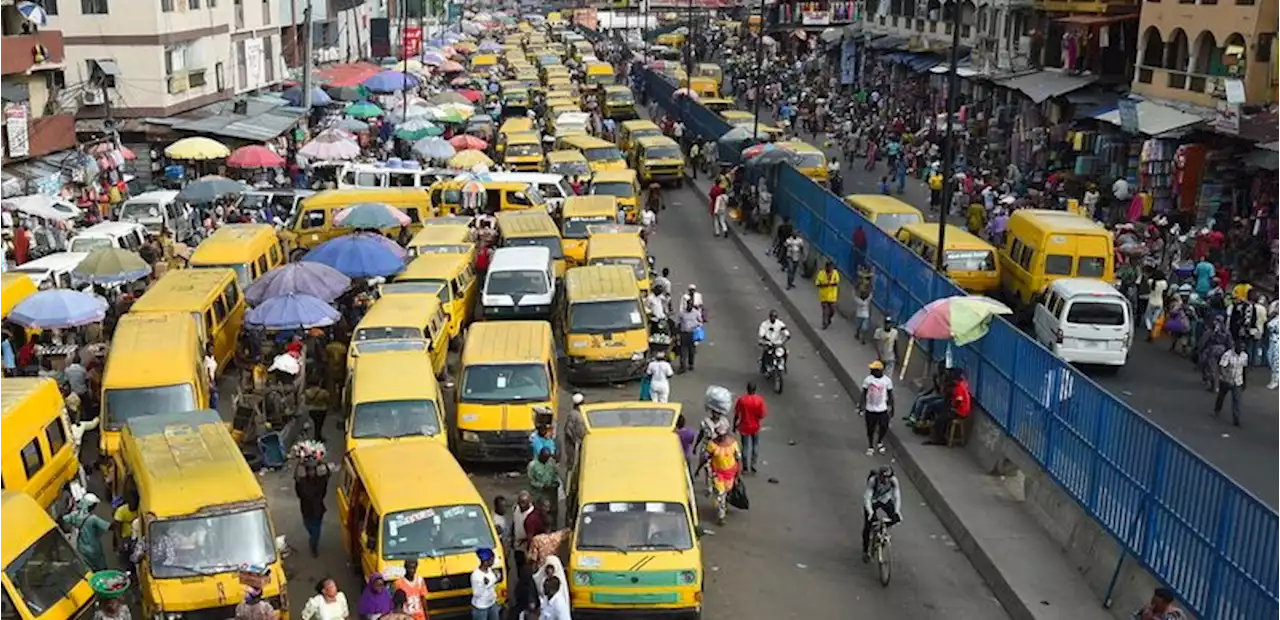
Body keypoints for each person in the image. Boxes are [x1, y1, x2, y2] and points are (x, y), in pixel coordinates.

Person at [294, 443, 336, 557]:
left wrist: (320, 461)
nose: (312, 472)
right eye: (310, 470)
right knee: (309, 527)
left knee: (316, 531)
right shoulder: (303, 482)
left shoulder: (319, 481)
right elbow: (297, 481)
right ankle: (313, 543)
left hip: (316, 510)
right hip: (307, 510)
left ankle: (313, 547)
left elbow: (326, 475)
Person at [860, 466, 902, 563]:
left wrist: (897, 511)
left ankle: (882, 530)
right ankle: (865, 550)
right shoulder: (873, 481)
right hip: (873, 501)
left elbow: (897, 496)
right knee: (868, 524)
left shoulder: (894, 481)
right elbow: (867, 497)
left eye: (888, 478)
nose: (886, 480)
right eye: (884, 478)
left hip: (885, 499)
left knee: (896, 518)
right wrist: (870, 512)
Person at [701, 427, 741, 525]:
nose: (721, 438)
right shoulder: (712, 444)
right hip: (718, 474)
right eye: (719, 435)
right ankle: (721, 516)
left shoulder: (733, 444)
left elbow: (738, 459)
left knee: (726, 492)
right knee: (720, 493)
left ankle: (723, 506)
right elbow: (706, 456)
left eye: (723, 435)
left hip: (730, 473)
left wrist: (737, 475)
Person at [62, 493, 110, 570]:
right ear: (91, 506)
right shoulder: (93, 519)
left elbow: (64, 519)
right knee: (101, 566)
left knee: (88, 567)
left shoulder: (75, 515)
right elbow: (108, 527)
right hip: (94, 546)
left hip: (82, 547)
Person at [925, 368, 971, 445]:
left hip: (960, 411)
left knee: (941, 418)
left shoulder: (959, 387)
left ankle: (939, 439)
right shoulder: (962, 384)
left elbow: (959, 400)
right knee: (940, 411)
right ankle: (936, 435)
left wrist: (952, 408)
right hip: (960, 409)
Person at [861, 360, 894, 456]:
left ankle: (879, 441)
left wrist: (892, 407)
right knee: (870, 428)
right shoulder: (868, 380)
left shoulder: (887, 381)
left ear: (880, 371)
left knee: (884, 426)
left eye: (874, 369)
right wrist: (861, 405)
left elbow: (890, 394)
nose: (871, 371)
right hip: (870, 409)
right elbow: (864, 393)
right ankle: (871, 445)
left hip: (882, 409)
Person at [733, 382, 767, 474]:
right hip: (755, 427)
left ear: (747, 389)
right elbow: (762, 414)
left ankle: (745, 467)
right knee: (755, 445)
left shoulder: (742, 400)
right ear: (755, 389)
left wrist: (734, 425)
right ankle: (753, 465)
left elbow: (737, 414)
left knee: (745, 447)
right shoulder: (759, 400)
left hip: (744, 427)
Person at [1214, 339, 1248, 426]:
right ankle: (1217, 409)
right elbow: (1222, 367)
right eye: (1240, 347)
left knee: (1237, 400)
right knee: (1222, 396)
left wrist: (1244, 381)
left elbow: (1244, 369)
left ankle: (1236, 420)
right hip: (1226, 380)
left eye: (1243, 348)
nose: (1241, 349)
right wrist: (1226, 377)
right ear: (1235, 347)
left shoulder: (1244, 356)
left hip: (1238, 380)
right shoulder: (1228, 354)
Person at [526, 448, 560, 527]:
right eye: (545, 458)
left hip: (551, 495)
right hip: (539, 495)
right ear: (540, 456)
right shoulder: (532, 465)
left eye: (547, 458)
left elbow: (555, 475)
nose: (546, 460)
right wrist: (542, 486)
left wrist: (555, 482)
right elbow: (531, 481)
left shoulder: (551, 463)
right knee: (540, 515)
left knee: (553, 514)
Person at [470, 548, 501, 620]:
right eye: (492, 560)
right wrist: (485, 584)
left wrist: (497, 576)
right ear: (485, 562)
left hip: (492, 604)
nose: (493, 561)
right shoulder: (476, 575)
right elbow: (477, 593)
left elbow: (495, 580)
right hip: (481, 608)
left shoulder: (490, 570)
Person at [757, 310, 790, 374]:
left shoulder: (780, 324)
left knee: (785, 352)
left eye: (774, 317)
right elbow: (761, 334)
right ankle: (764, 367)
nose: (773, 318)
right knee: (766, 352)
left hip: (778, 343)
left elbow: (785, 330)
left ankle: (783, 364)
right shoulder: (765, 324)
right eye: (772, 316)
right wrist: (765, 339)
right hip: (769, 342)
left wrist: (786, 336)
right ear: (769, 317)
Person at [675, 299, 703, 373]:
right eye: (688, 305)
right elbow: (678, 323)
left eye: (691, 305)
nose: (689, 306)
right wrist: (677, 334)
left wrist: (697, 326)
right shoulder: (682, 313)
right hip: (683, 334)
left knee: (691, 351)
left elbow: (700, 322)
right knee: (683, 351)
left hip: (692, 334)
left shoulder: (696, 313)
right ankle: (682, 367)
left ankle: (691, 364)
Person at [562, 393, 587, 473]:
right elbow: (568, 430)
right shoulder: (574, 415)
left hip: (579, 440)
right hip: (574, 441)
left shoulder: (580, 412)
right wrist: (574, 440)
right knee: (572, 462)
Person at [815, 260, 840, 329]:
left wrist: (832, 284)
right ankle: (824, 324)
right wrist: (824, 285)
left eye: (832, 267)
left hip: (832, 296)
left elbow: (837, 282)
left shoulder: (835, 273)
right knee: (825, 311)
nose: (831, 269)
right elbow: (817, 283)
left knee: (833, 311)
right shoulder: (821, 273)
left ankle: (828, 318)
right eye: (830, 267)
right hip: (824, 296)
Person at [204, 344, 219, 410]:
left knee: (213, 397)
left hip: (213, 380)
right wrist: (210, 383)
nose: (212, 351)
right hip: (209, 381)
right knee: (214, 397)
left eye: (212, 349)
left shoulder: (212, 357)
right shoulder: (206, 360)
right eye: (210, 349)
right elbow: (207, 371)